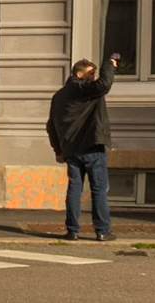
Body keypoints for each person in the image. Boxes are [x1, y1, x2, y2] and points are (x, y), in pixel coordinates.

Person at [47, 54, 118, 241]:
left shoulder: (59, 96)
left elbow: (51, 125)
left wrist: (58, 150)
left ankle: (72, 231)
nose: (94, 77)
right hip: (91, 146)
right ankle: (102, 231)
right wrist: (109, 64)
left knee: (74, 190)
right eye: (91, 73)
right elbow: (104, 84)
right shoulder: (86, 89)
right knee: (99, 189)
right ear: (79, 74)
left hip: (71, 150)